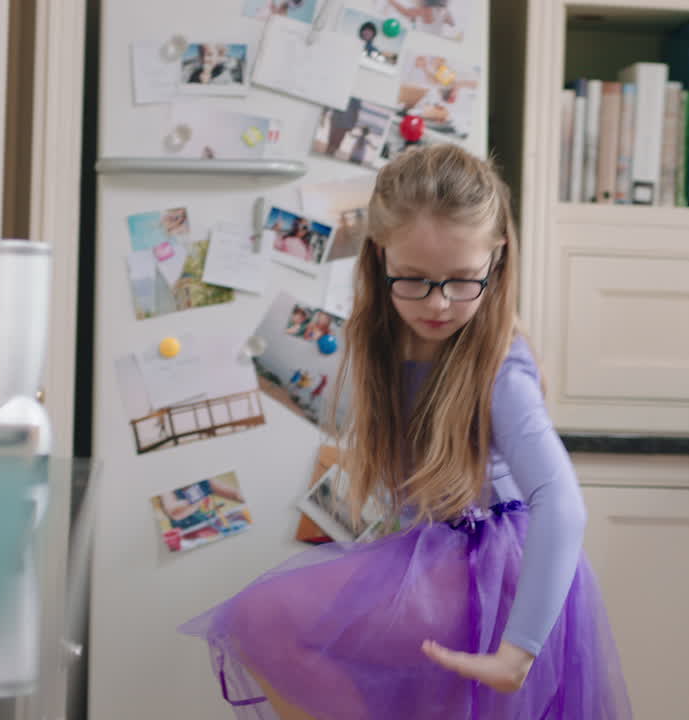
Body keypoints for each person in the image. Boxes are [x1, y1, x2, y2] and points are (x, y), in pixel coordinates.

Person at [180, 144, 631, 719]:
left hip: (493, 572)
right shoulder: (383, 343)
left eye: (462, 280)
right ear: (378, 255)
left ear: (497, 258)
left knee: (260, 619)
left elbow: (562, 504)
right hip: (441, 559)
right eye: (414, 279)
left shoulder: (501, 368)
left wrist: (518, 652)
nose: (438, 304)